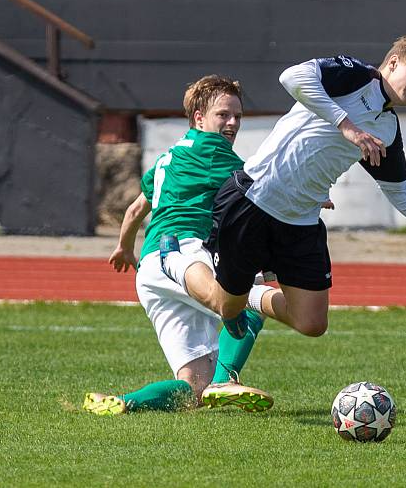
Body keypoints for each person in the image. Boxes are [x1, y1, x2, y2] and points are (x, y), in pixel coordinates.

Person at [164, 33, 406, 339]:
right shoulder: (355, 75)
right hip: (252, 200)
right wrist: (347, 126)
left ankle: (249, 297)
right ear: (393, 63)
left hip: (299, 221)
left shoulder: (387, 129)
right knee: (224, 306)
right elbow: (292, 76)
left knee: (312, 323)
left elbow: (402, 192)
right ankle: (175, 261)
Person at [83, 75, 275, 416]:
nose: (232, 123)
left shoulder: (167, 159)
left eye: (237, 117)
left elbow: (135, 210)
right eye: (223, 115)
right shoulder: (219, 156)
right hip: (183, 256)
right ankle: (226, 379)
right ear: (199, 118)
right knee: (249, 300)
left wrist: (125, 248)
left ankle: (122, 403)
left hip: (150, 273)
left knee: (193, 390)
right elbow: (259, 191)